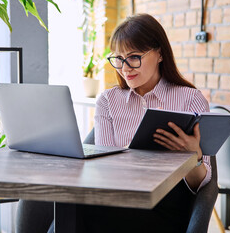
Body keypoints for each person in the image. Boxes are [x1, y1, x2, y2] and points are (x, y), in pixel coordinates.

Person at [81, 13, 211, 232]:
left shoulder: (190, 99)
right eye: (119, 59)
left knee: (80, 216)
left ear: (159, 53)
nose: (125, 68)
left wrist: (194, 157)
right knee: (72, 209)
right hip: (118, 198)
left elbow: (202, 186)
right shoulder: (108, 101)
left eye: (133, 57)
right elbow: (101, 168)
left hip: (166, 205)